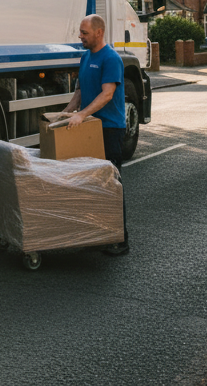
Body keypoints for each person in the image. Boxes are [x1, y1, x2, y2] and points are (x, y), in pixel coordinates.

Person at [63, 13, 130, 257]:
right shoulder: (86, 57)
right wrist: (68, 111)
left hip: (109, 128)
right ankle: (98, 232)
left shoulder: (111, 59)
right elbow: (80, 89)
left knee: (110, 183)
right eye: (80, 32)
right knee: (91, 182)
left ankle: (120, 239)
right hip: (90, 128)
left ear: (99, 33)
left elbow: (107, 94)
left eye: (85, 33)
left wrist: (82, 114)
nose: (80, 36)